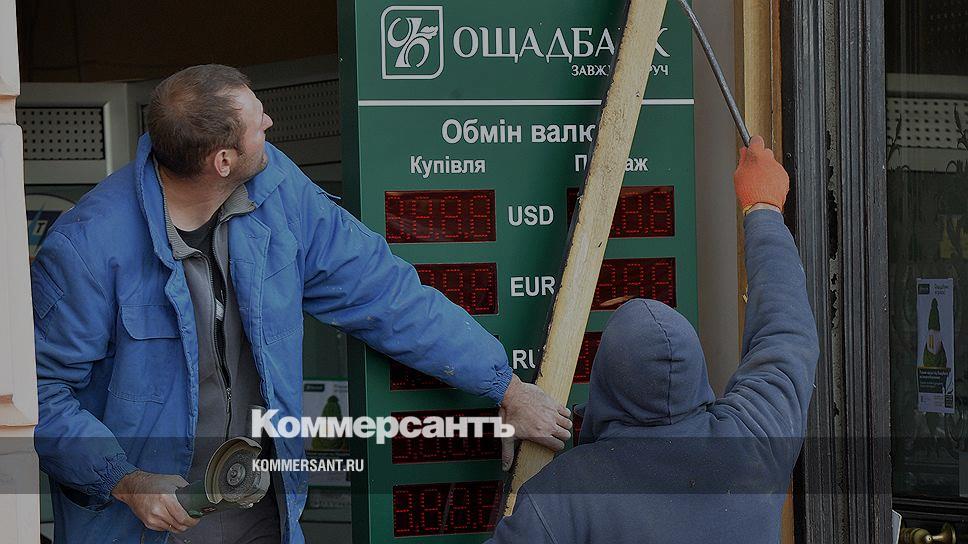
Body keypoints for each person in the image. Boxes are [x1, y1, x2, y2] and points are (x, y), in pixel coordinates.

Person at [31, 64, 571, 544]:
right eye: (257, 123)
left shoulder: (276, 190)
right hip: (141, 522)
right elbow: (42, 394)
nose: (269, 123)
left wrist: (504, 385)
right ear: (223, 160)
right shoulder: (87, 249)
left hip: (256, 505)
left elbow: (383, 291)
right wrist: (125, 481)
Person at [488, 135, 819, 543]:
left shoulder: (562, 498)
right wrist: (763, 209)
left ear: (605, 380)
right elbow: (786, 335)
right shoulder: (755, 442)